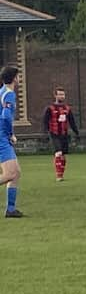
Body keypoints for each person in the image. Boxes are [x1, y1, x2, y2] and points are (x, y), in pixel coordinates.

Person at [43, 86, 80, 181]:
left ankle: (61, 174)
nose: (61, 96)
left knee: (63, 155)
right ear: (55, 95)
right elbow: (45, 121)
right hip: (54, 134)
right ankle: (58, 176)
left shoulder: (67, 108)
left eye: (63, 94)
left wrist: (76, 132)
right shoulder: (50, 108)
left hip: (64, 134)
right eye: (59, 94)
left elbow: (72, 121)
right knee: (58, 152)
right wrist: (45, 131)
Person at [0, 66, 23, 218]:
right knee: (10, 174)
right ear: (14, 78)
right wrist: (10, 134)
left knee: (16, 174)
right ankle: (10, 209)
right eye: (18, 76)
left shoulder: (1, 91)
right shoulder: (9, 94)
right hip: (2, 137)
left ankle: (11, 209)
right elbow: (6, 117)